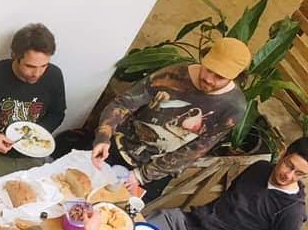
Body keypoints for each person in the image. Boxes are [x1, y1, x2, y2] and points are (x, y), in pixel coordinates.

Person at [90, 37, 251, 201]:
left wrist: (141, 176)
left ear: (235, 77)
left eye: (219, 77)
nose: (209, 79)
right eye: (208, 69)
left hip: (158, 170)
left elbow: (196, 150)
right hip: (119, 147)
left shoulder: (233, 107)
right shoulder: (172, 75)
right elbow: (123, 103)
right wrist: (103, 136)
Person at [146, 138, 308, 230]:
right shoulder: (260, 167)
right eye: (289, 165)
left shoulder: (292, 211)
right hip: (189, 220)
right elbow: (228, 195)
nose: (288, 175)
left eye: (299, 174)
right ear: (283, 153)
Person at [0, 24, 66, 182]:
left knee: (43, 191)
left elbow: (57, 113)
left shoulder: (54, 75)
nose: (37, 74)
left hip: (31, 153)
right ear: (14, 56)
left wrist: (37, 134)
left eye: (44, 66)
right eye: (30, 66)